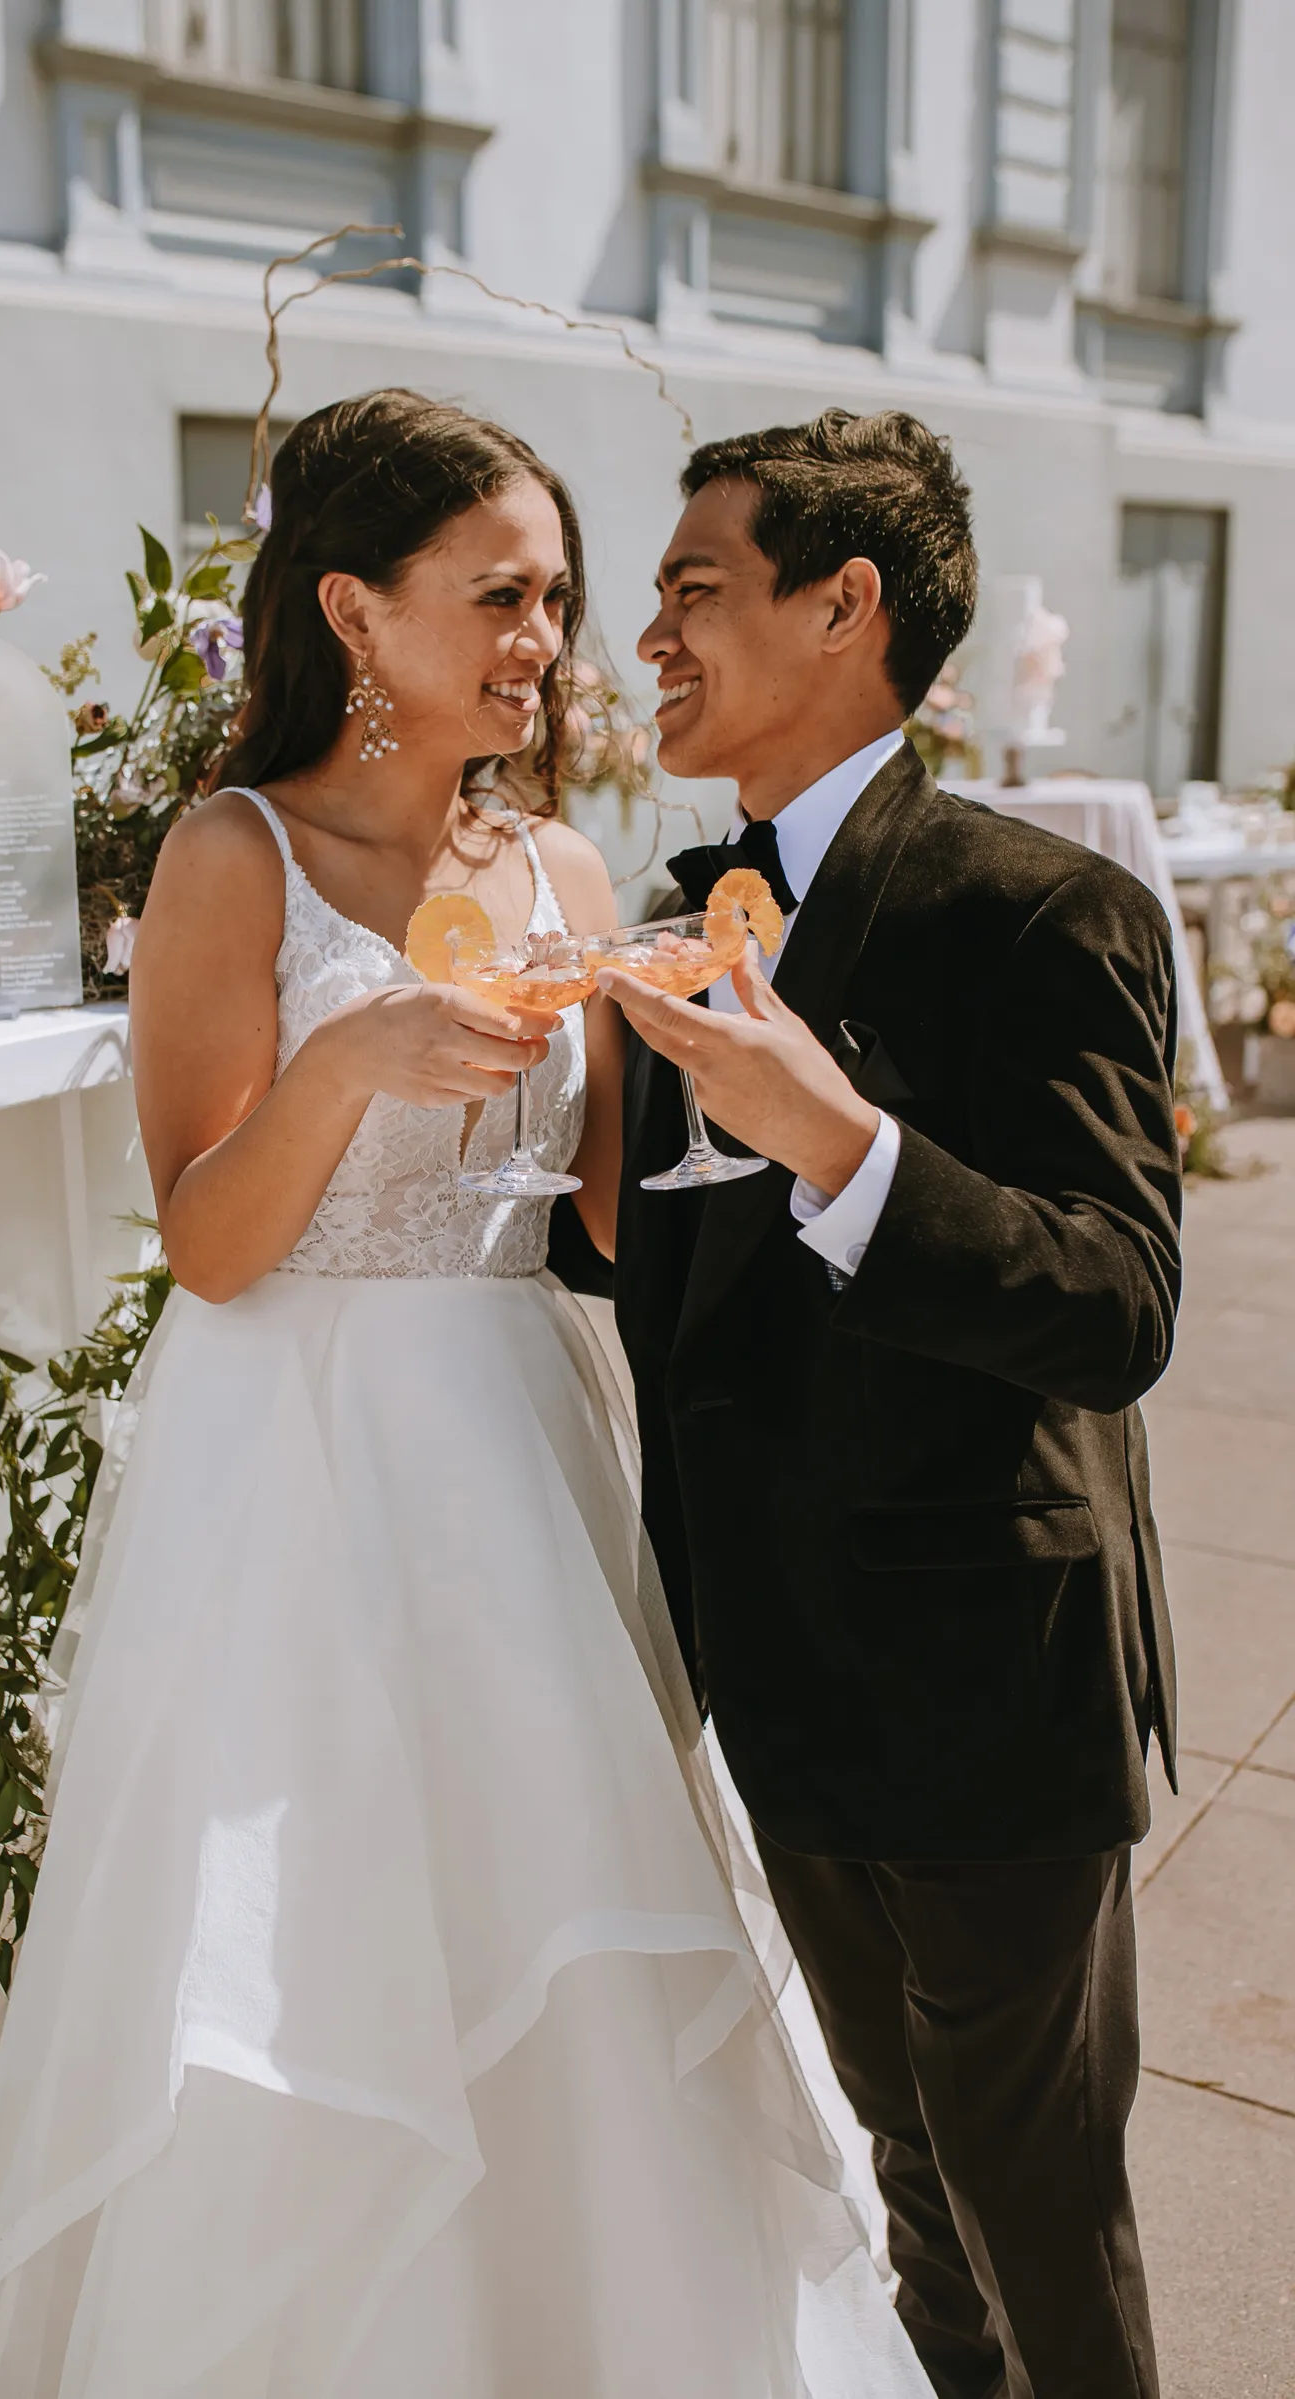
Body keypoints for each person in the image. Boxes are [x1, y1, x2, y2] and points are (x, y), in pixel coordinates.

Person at [0, 390, 931, 2397]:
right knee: (319, 1943)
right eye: (499, 594)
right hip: (290, 1473)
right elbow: (207, 1239)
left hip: (521, 1456)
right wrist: (348, 1061)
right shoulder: (236, 853)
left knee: (567, 1916)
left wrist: (718, 1060)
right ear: (354, 610)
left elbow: (603, 1223)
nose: (546, 637)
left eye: (553, 594)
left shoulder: (559, 866)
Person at [600, 407, 1182, 2399]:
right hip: (781, 1676)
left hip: (985, 1681)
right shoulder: (682, 911)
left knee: (1038, 2216)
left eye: (691, 588)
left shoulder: (1038, 910)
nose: (648, 637)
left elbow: (1112, 1302)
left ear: (842, 604)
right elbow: (675, 1283)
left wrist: (843, 1142)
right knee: (915, 2193)